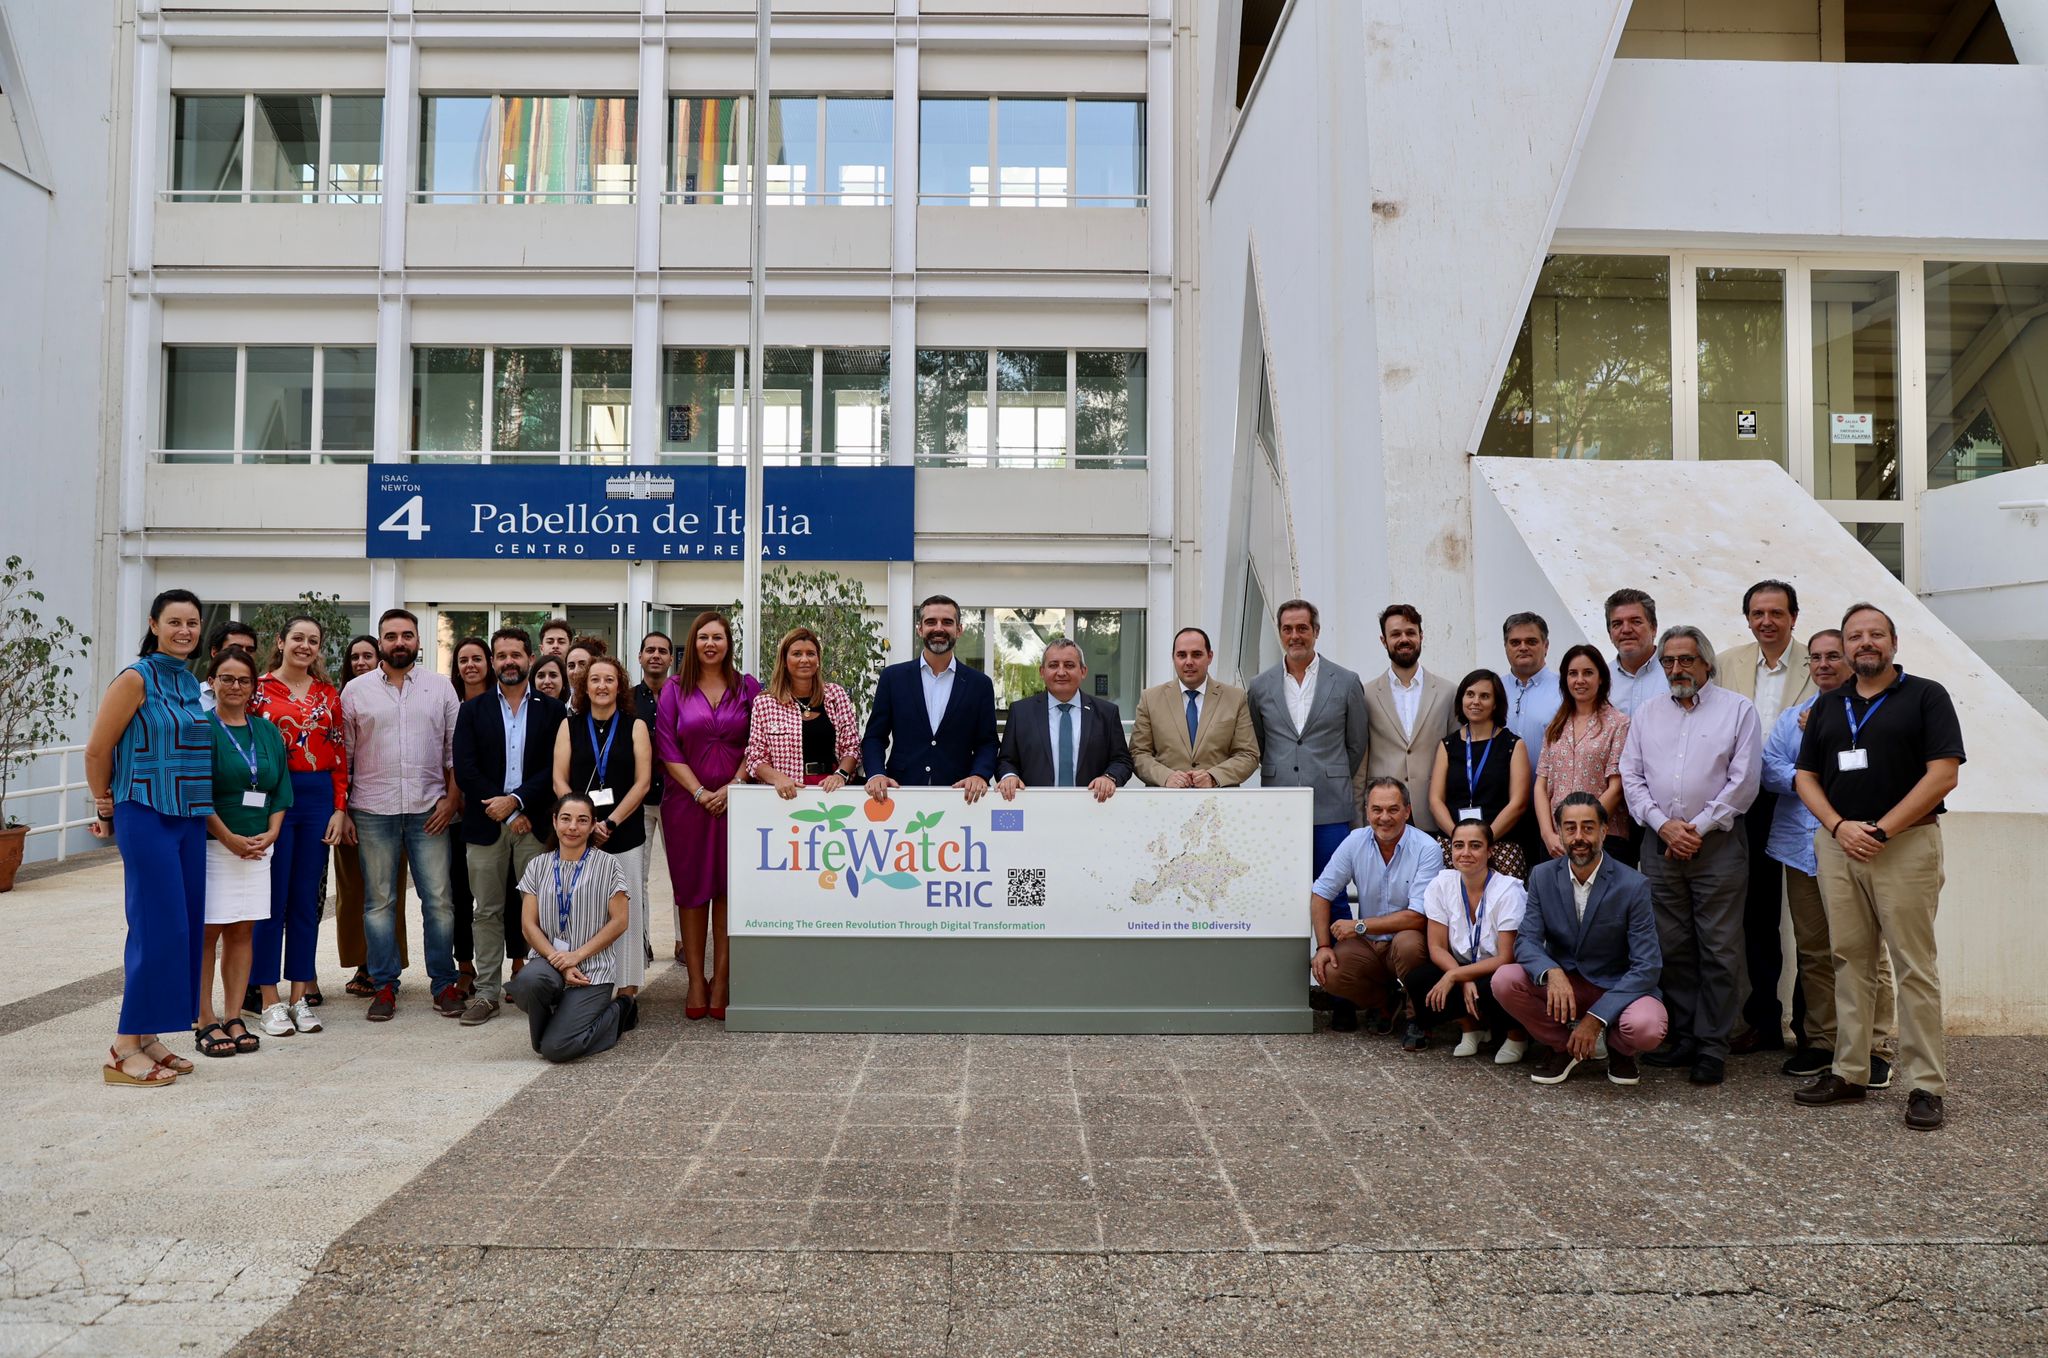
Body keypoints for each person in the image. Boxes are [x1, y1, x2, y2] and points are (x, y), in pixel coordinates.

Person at [1793, 604, 1963, 1131]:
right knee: (1849, 960)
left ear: (1893, 641)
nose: (1865, 643)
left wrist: (1882, 830)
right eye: (1855, 636)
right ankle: (1850, 1072)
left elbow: (1943, 775)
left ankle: (1925, 1085)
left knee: (1914, 965)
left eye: (1875, 635)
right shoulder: (1829, 704)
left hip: (1905, 846)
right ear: (1844, 646)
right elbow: (1805, 777)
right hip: (1840, 846)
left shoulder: (1926, 696)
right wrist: (1841, 827)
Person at [1619, 625, 1761, 1087]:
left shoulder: (1738, 711)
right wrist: (1663, 825)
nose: (1676, 669)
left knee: (1719, 948)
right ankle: (1681, 1035)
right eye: (1668, 662)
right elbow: (1631, 776)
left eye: (1685, 660)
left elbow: (1743, 783)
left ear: (1706, 663)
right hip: (1659, 845)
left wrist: (1695, 828)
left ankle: (1712, 1046)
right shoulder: (1647, 714)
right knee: (1673, 946)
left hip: (1716, 846)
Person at [84, 588, 213, 1087]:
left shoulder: (187, 683)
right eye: (175, 621)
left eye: (193, 623)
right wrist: (104, 804)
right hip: (145, 811)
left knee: (182, 928)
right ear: (154, 624)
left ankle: (150, 1035)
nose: (185, 631)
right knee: (155, 926)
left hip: (188, 815)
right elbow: (98, 750)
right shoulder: (136, 678)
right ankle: (122, 1047)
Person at [1761, 630, 1898, 1086]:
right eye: (1815, 658)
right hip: (1799, 850)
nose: (1823, 664)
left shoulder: (1871, 713)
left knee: (1865, 950)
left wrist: (1814, 765)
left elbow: (1873, 767)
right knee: (1815, 950)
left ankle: (1874, 1045)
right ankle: (1822, 1041)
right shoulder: (1792, 719)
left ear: (1849, 661)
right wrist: (1809, 771)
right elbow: (1770, 767)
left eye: (1832, 656)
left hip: (1855, 845)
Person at [1493, 793, 1668, 1086]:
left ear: (1603, 830)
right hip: (1568, 984)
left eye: (1588, 827)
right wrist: (1552, 972)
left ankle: (1618, 1049)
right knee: (1504, 980)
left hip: (1616, 985)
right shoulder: (1541, 876)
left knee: (1647, 1027)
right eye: (1570, 828)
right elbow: (1527, 941)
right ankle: (1564, 1047)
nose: (1579, 837)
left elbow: (1647, 966)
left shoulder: (1633, 885)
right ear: (1559, 832)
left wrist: (1595, 1019)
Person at [342, 608, 462, 1023]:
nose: (399, 642)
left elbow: (454, 754)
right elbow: (346, 758)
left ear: (418, 641)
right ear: (379, 642)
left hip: (429, 810)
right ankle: (384, 986)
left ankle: (444, 984)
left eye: (406, 635)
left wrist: (450, 801)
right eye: (390, 636)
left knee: (440, 902)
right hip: (372, 809)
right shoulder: (355, 692)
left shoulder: (441, 688)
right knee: (378, 903)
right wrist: (344, 810)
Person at [1716, 580, 1816, 1057]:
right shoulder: (1728, 663)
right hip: (1747, 803)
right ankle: (1763, 1022)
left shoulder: (1817, 662)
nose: (1767, 621)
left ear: (1793, 617)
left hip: (1805, 803)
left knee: (1809, 917)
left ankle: (1812, 1026)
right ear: (1748, 619)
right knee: (1756, 916)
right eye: (1758, 613)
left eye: (1777, 613)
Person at [452, 627, 566, 1027]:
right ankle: (485, 993)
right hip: (486, 824)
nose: (508, 662)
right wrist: (502, 808)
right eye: (501, 656)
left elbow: (554, 767)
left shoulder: (553, 711)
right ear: (494, 661)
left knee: (540, 910)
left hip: (533, 825)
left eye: (516, 655)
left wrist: (517, 803)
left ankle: (540, 986)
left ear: (530, 659)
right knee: (486, 912)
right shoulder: (473, 710)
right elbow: (466, 770)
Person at [660, 611, 763, 1020]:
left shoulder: (748, 687)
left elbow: (759, 742)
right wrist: (702, 792)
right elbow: (668, 748)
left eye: (717, 637)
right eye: (703, 637)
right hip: (687, 804)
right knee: (691, 889)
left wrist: (734, 786)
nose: (710, 644)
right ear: (694, 643)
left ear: (728, 643)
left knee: (727, 889)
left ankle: (722, 980)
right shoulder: (673, 690)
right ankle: (695, 982)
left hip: (738, 802)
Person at [251, 615, 349, 1030]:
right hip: (273, 798)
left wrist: (340, 808)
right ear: (280, 641)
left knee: (307, 901)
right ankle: (268, 997)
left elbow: (341, 754)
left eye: (312, 640)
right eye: (297, 638)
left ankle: (299, 994)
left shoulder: (330, 694)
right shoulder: (257, 690)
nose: (304, 646)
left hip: (317, 798)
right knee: (270, 902)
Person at [196, 647, 293, 1050]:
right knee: (209, 934)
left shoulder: (267, 731)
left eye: (244, 680)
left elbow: (281, 790)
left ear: (255, 685)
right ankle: (205, 1019)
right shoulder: (201, 728)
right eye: (227, 678)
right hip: (215, 847)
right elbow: (198, 794)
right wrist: (228, 837)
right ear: (213, 682)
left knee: (243, 931)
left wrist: (271, 834)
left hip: (257, 849)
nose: (236, 686)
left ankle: (234, 1016)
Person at [1308, 778, 1438, 1048]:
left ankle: (1418, 1020)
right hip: (1369, 946)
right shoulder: (1355, 840)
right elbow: (1321, 892)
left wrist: (1359, 926)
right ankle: (1385, 1003)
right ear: (1366, 811)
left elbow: (1417, 916)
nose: (1384, 818)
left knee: (1409, 945)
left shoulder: (1427, 848)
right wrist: (1322, 945)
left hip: (1406, 939)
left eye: (1393, 809)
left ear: (1407, 811)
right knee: (1330, 971)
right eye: (1376, 809)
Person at [507, 794, 637, 1063]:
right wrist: (563, 963)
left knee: (557, 1049)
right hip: (549, 963)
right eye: (565, 819)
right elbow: (528, 925)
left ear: (592, 826)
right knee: (527, 983)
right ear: (555, 822)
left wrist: (576, 957)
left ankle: (620, 1010)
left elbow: (620, 921)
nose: (572, 827)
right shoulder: (538, 865)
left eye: (582, 820)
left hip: (593, 971)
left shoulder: (609, 865)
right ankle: (559, 1024)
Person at [553, 655, 653, 1000]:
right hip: (579, 836)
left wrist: (610, 821)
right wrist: (582, 822)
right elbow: (558, 779)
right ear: (584, 686)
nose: (601, 686)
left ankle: (626, 987)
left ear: (619, 685)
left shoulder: (635, 726)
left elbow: (642, 783)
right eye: (595, 679)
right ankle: (589, 983)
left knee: (626, 907)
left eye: (609, 680)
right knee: (584, 908)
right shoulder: (570, 725)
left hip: (624, 832)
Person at [1248, 598, 1369, 868]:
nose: (1295, 636)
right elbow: (1259, 741)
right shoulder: (1259, 686)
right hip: (1279, 803)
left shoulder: (1346, 681)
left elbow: (1357, 743)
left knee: (1333, 890)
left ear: (1316, 631)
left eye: (1302, 628)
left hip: (1331, 805)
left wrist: (1328, 771)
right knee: (1283, 887)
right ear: (1279, 633)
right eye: (1287, 629)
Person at [1410, 819, 1528, 1062]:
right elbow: (1436, 947)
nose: (1465, 853)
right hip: (1462, 964)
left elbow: (1507, 957)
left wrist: (1455, 976)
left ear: (1490, 851)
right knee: (1419, 979)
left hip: (1497, 968)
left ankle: (1517, 1036)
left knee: (1493, 986)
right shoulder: (1442, 883)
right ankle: (1470, 1028)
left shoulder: (1509, 890)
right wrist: (1460, 976)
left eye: (1475, 846)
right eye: (1458, 845)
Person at [863, 594, 998, 804]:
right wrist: (876, 773)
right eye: (930, 622)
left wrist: (979, 774)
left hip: (960, 796)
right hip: (900, 793)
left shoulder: (979, 684)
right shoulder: (893, 678)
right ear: (920, 629)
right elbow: (874, 737)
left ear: (959, 630)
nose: (939, 628)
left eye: (947, 622)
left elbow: (987, 742)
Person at [334, 633, 408, 994]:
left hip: (394, 808)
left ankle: (382, 964)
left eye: (368, 655)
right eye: (355, 657)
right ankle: (361, 963)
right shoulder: (341, 699)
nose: (361, 662)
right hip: (352, 808)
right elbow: (340, 758)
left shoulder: (399, 694)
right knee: (354, 891)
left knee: (387, 892)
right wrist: (341, 809)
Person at [996, 638, 1133, 801]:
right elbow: (1006, 760)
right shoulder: (1020, 712)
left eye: (1069, 665)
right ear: (1042, 672)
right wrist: (1009, 776)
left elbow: (1122, 761)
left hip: (1092, 808)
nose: (1061, 672)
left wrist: (1109, 778)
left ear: (1083, 671)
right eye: (1053, 665)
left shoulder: (1106, 713)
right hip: (1035, 809)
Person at [1532, 645, 1632, 867]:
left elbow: (1616, 788)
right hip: (1556, 841)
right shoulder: (1555, 726)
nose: (1580, 680)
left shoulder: (1619, 724)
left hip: (1603, 838)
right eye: (1572, 673)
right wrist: (1548, 833)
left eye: (1588, 673)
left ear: (1602, 679)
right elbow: (1541, 785)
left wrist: (1580, 829)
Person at [1362, 604, 1456, 835]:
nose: (1404, 639)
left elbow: (1457, 758)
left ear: (1421, 636)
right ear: (1383, 640)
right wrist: (1359, 821)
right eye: (1395, 634)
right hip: (1384, 813)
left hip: (1433, 811)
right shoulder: (1365, 695)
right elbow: (1360, 761)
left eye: (1410, 633)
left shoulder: (1448, 692)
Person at [1427, 669, 1531, 878]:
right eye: (1470, 694)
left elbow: (1518, 803)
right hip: (1453, 847)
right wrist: (1461, 839)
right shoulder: (1448, 745)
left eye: (1484, 696)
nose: (1476, 701)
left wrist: (1483, 840)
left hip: (1500, 845)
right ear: (1461, 699)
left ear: (1496, 703)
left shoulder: (1513, 745)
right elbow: (1435, 800)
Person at [1130, 627, 1260, 789]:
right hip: (1165, 801)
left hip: (1219, 803)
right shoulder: (1150, 699)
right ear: (1173, 658)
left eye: (1197, 654)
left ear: (1210, 656)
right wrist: (1166, 777)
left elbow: (1248, 755)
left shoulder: (1235, 698)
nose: (1189, 662)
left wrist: (1213, 777)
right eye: (1181, 655)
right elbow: (1138, 754)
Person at [447, 636, 492, 998]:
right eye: (463, 660)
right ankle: (464, 964)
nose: (471, 665)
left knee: (501, 895)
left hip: (495, 811)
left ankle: (518, 961)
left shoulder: (502, 704)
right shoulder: (448, 703)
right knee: (459, 894)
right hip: (454, 814)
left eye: (478, 658)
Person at [631, 630, 673, 961]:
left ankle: (683, 942)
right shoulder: (627, 700)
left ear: (671, 659)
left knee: (681, 875)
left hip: (677, 798)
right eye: (650, 650)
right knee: (637, 876)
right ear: (641, 657)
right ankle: (642, 943)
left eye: (662, 651)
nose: (656, 655)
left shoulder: (684, 696)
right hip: (639, 800)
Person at [1603, 588, 1669, 717]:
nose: (1626, 629)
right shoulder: (1601, 680)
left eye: (1636, 622)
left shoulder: (1675, 673)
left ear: (1654, 628)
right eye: (1617, 624)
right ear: (1610, 634)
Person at [197, 620, 258, 713]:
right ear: (215, 652)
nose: (243, 654)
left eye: (250, 650)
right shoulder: (193, 698)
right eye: (236, 648)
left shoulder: (263, 699)